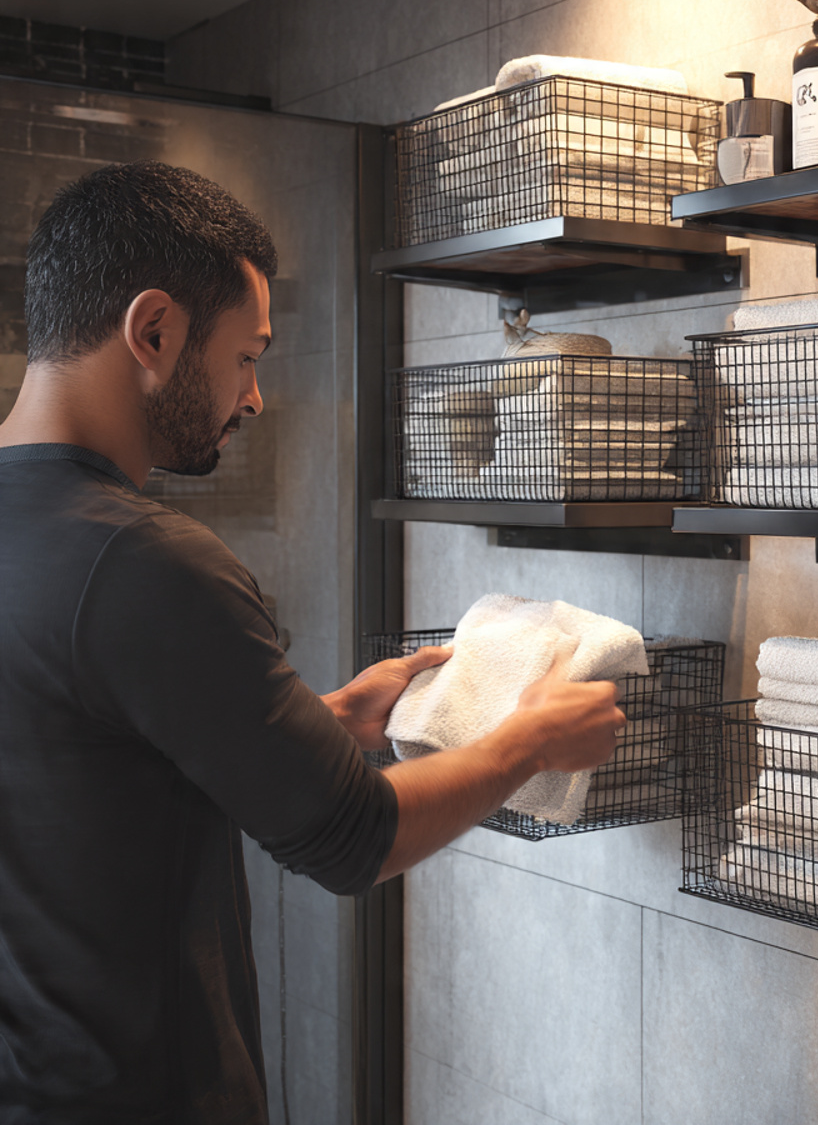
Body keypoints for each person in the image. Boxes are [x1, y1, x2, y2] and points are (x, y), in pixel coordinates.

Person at [0, 160, 625, 1124]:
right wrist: (527, 742)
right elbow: (354, 842)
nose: (252, 399)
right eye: (247, 357)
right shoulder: (149, 563)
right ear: (154, 332)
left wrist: (326, 720)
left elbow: (81, 757)